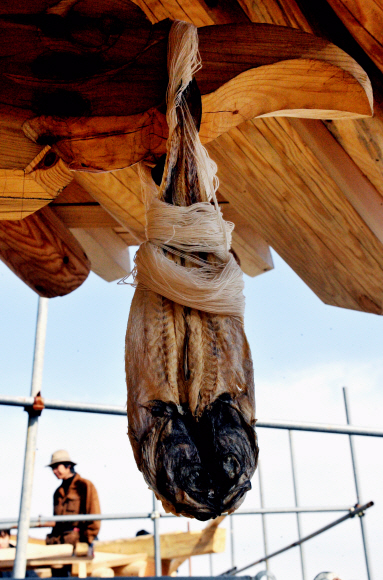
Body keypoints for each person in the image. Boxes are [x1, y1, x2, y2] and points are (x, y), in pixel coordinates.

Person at [45, 450, 101, 548]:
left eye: (56, 467)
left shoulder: (85, 486)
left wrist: (87, 540)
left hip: (79, 542)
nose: (54, 471)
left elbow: (94, 517)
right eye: (52, 468)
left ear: (68, 466)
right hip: (61, 544)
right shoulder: (58, 492)